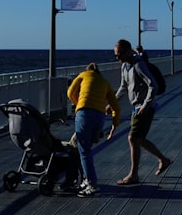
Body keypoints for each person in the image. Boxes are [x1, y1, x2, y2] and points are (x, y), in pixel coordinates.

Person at [113, 39, 172, 185]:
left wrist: (146, 104)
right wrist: (112, 102)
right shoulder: (124, 67)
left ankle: (134, 175)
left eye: (119, 54)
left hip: (144, 108)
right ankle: (163, 160)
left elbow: (153, 85)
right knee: (138, 139)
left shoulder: (139, 65)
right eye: (115, 55)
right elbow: (123, 87)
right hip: (136, 107)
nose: (117, 58)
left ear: (128, 51)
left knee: (133, 138)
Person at [67, 63, 122, 197]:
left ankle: (92, 184)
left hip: (84, 115)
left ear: (87, 70)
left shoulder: (83, 75)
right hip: (99, 117)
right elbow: (116, 107)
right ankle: (87, 179)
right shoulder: (105, 82)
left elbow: (70, 93)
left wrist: (77, 104)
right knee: (87, 149)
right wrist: (114, 125)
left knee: (84, 150)